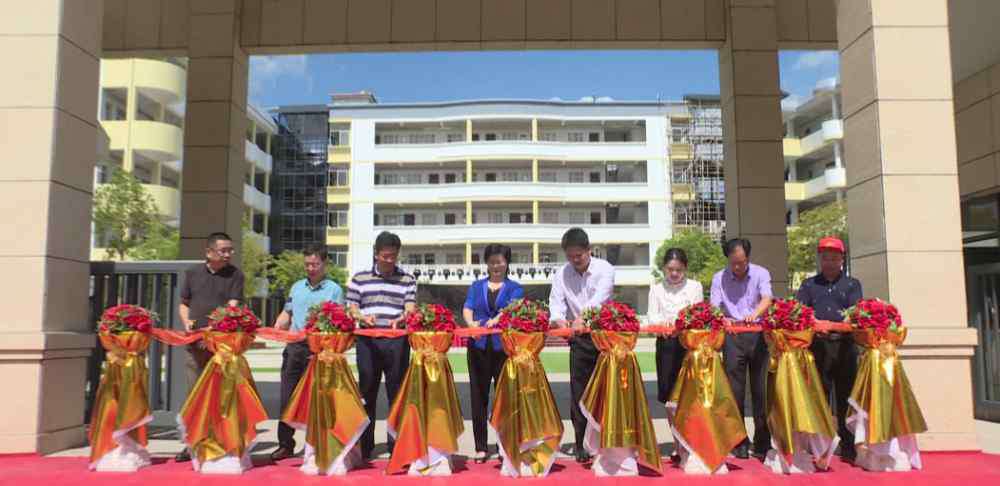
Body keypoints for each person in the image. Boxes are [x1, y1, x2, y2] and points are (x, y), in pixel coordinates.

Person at [269, 245, 345, 461]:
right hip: (294, 348)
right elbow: (287, 312)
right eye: (307, 264)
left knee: (316, 400)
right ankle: (285, 444)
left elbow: (337, 321)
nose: (310, 268)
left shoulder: (334, 290)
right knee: (287, 397)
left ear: (325, 264)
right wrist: (278, 325)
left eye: (315, 264)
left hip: (319, 351)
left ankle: (315, 443)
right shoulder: (296, 287)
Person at [346, 231, 417, 460]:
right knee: (367, 391)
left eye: (393, 256)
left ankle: (396, 444)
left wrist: (403, 318)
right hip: (367, 340)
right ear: (376, 254)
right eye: (385, 256)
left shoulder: (407, 279)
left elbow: (410, 307)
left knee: (397, 393)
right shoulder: (359, 279)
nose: (389, 260)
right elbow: (352, 307)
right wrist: (362, 317)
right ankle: (365, 446)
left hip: (397, 341)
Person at [175, 232, 245, 462]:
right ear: (209, 252)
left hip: (221, 348)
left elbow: (232, 308)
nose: (228, 254)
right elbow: (184, 304)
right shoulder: (193, 273)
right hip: (194, 345)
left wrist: (215, 331)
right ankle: (191, 444)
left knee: (220, 396)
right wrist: (186, 323)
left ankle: (222, 441)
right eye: (223, 250)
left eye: (230, 250)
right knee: (194, 394)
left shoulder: (236, 275)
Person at [548, 227, 615, 463]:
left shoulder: (605, 269)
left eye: (579, 255)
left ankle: (607, 440)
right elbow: (556, 302)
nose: (575, 260)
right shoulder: (562, 274)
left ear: (589, 250)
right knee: (579, 392)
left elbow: (600, 299)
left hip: (604, 337)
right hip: (578, 339)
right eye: (570, 256)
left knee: (606, 391)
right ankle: (580, 444)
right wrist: (558, 319)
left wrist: (582, 318)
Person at [795, 236, 863, 463]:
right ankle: (820, 447)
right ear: (820, 259)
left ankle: (849, 446)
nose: (829, 262)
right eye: (825, 258)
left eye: (834, 258)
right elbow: (800, 315)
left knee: (846, 397)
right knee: (819, 398)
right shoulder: (809, 285)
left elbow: (856, 320)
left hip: (845, 347)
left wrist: (830, 325)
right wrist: (815, 325)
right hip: (818, 347)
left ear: (841, 259)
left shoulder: (852, 285)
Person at [710, 238, 772, 460]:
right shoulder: (719, 278)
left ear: (748, 258)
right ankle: (739, 441)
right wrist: (723, 320)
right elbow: (715, 307)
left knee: (760, 390)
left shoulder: (761, 273)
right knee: (735, 391)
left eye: (742, 262)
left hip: (757, 334)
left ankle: (763, 442)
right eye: (734, 263)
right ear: (728, 259)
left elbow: (767, 298)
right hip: (733, 336)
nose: (738, 267)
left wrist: (755, 313)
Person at [462, 244, 524, 464]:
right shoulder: (476, 285)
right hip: (477, 347)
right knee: (478, 398)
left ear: (507, 263)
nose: (496, 266)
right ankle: (480, 447)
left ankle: (502, 445)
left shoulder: (515, 287)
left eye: (500, 261)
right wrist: (471, 325)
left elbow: (512, 308)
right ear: (486, 263)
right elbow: (468, 307)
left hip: (502, 349)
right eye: (492, 261)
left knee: (503, 399)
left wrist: (496, 321)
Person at [646, 248, 703, 406]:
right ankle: (674, 431)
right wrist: (661, 323)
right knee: (669, 396)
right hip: (666, 346)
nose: (674, 273)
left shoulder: (695, 287)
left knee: (689, 395)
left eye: (679, 270)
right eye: (670, 269)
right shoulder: (656, 289)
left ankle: (688, 431)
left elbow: (697, 315)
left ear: (685, 268)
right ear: (664, 268)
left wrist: (679, 322)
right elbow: (652, 316)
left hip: (689, 346)